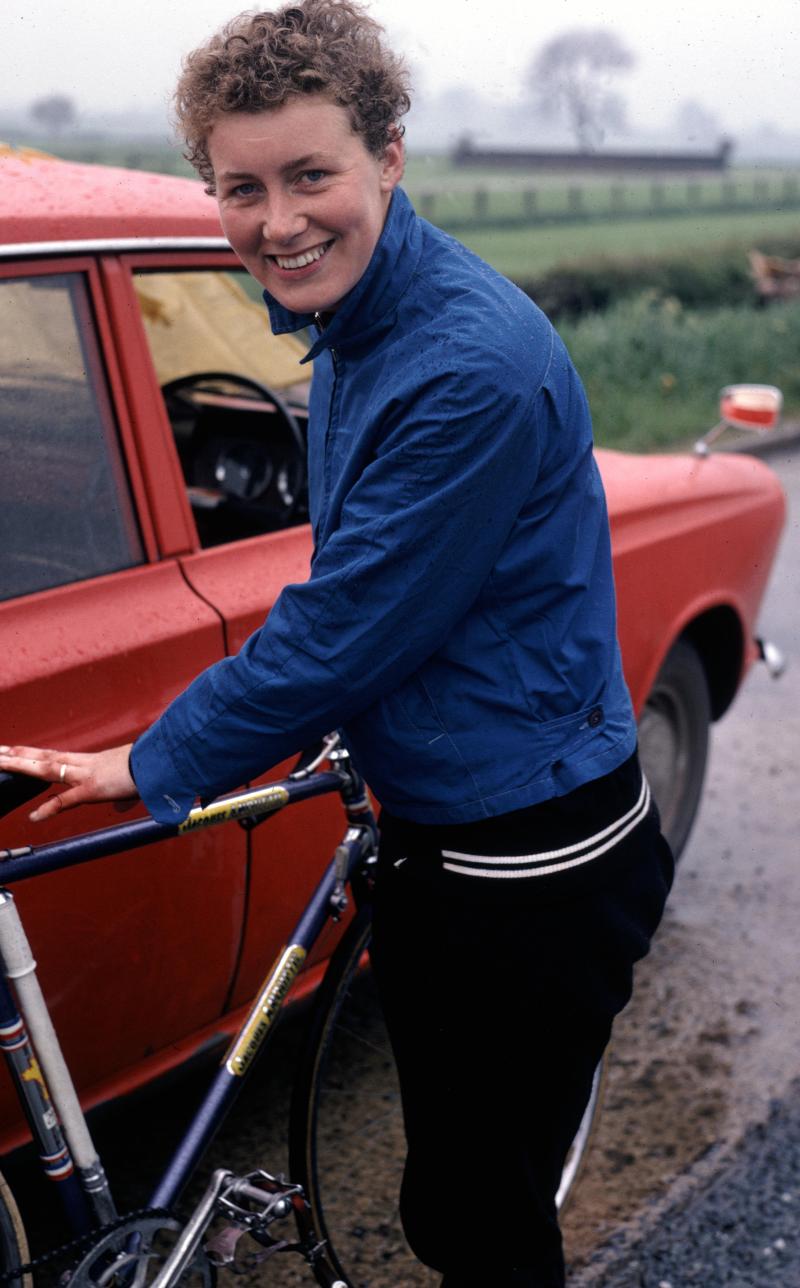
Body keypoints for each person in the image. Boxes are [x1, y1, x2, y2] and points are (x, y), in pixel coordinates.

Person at [0, 2, 674, 1283]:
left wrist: (153, 759)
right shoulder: (357, 319)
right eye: (240, 187)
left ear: (388, 158)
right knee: (453, 1186)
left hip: (525, 857)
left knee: (477, 1221)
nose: (277, 220)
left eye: (311, 174)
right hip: (442, 819)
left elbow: (346, 624)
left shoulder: (462, 364)